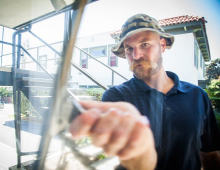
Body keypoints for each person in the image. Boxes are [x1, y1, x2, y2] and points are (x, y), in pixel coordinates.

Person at [70, 14, 220, 170]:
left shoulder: (197, 96)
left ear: (162, 45)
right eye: (129, 48)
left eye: (145, 44)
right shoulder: (117, 97)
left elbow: (210, 153)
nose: (136, 55)